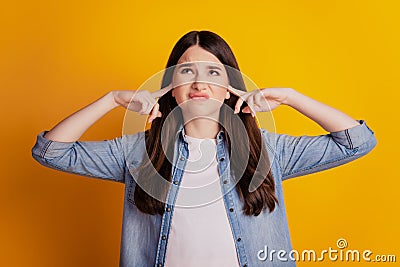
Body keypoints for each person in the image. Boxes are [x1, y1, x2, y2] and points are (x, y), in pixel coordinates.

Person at [31, 30, 377, 267]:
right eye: (186, 72)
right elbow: (50, 151)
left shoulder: (268, 151)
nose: (199, 83)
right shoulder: (138, 152)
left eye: (213, 72)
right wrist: (110, 100)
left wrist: (290, 97)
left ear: (229, 88)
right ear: (171, 87)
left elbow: (357, 142)